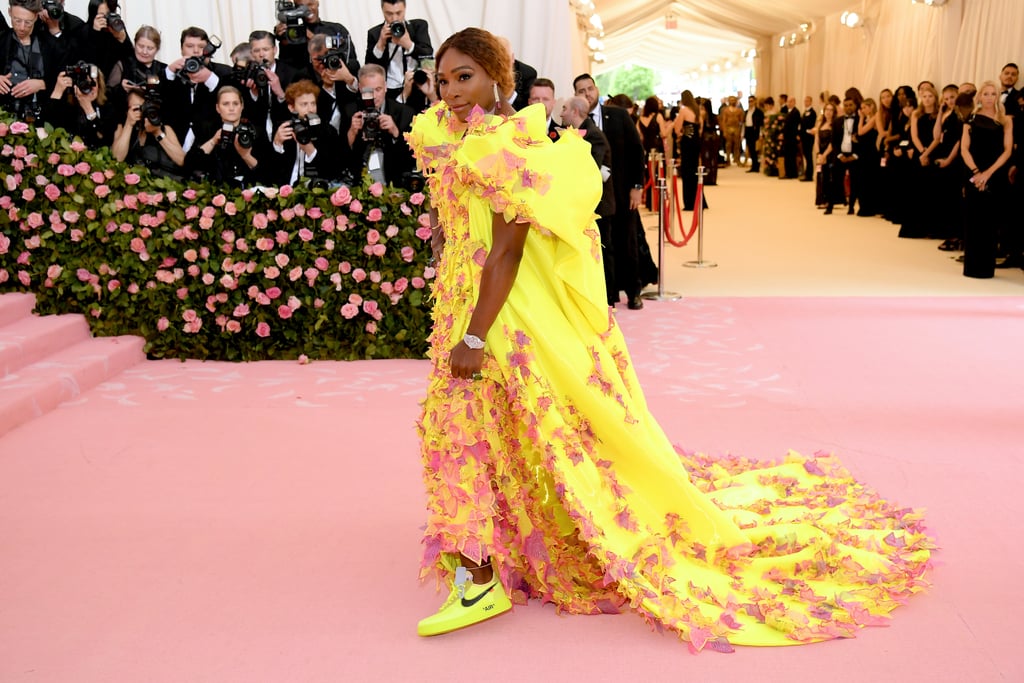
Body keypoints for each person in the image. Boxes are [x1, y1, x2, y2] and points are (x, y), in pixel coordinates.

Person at [408, 26, 932, 647]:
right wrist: (447, 260)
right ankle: (494, 546)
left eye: (464, 76)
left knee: (468, 424)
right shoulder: (441, 135)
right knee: (493, 429)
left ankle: (479, 576)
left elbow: (506, 254)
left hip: (505, 314)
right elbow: (449, 223)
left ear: (498, 78)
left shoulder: (507, 146)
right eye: (442, 79)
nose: (451, 91)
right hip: (463, 300)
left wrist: (474, 336)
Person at [574, 72, 647, 309]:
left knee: (627, 241)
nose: (587, 94)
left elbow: (637, 151)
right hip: (597, 198)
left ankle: (634, 291)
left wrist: (637, 187)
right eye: (581, 91)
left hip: (623, 191)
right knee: (605, 246)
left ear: (597, 90)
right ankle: (609, 294)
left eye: (590, 89)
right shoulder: (575, 122)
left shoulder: (617, 115)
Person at [960, 81, 1014, 277]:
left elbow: (1007, 150)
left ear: (997, 96)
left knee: (990, 221)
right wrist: (976, 172)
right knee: (973, 218)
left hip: (995, 173)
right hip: (974, 172)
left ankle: (986, 267)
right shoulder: (970, 119)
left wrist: (988, 173)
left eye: (993, 94)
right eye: (986, 94)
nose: (990, 97)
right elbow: (964, 149)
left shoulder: (1005, 120)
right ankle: (972, 266)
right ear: (979, 97)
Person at [341, 63, 415, 187]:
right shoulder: (350, 111)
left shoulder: (405, 113)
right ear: (359, 88)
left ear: (386, 87)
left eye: (378, 89)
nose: (374, 96)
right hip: (358, 183)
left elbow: (409, 161)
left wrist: (395, 133)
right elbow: (340, 158)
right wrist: (352, 133)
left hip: (393, 183)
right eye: (368, 91)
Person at [185, 85, 269, 187]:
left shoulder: (256, 131)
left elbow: (267, 174)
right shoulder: (207, 129)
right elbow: (189, 164)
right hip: (215, 191)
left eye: (235, 103)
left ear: (242, 106)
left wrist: (246, 156)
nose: (231, 108)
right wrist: (213, 141)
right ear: (218, 108)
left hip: (249, 191)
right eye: (226, 104)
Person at [268, 79, 343, 187]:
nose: (310, 109)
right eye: (304, 104)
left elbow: (332, 171)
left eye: (313, 104)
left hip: (316, 190)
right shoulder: (283, 128)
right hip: (285, 189)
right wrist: (277, 145)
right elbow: (271, 171)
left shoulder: (328, 131)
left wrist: (310, 150)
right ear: (291, 107)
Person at [0, 0, 64, 125]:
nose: (22, 27)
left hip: (43, 116)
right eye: (17, 20)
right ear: (9, 12)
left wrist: (42, 84)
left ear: (36, 17)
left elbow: (66, 78)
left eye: (28, 22)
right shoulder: (2, 42)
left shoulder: (51, 46)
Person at [110, 86, 187, 180]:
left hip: (163, 183)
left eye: (145, 107)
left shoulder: (164, 129)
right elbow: (117, 159)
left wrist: (157, 133)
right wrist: (128, 125)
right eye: (137, 108)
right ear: (127, 111)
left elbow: (182, 160)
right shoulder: (121, 128)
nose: (142, 112)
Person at [364, 0, 432, 101]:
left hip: (416, 87)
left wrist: (409, 45)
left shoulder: (417, 26)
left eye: (398, 13)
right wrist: (380, 44)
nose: (394, 18)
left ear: (405, 9)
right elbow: (369, 69)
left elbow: (428, 56)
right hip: (389, 91)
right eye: (389, 14)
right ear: (382, 11)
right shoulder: (375, 33)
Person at [45, 61, 115, 147]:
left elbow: (105, 141)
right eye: (84, 83)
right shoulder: (67, 107)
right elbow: (47, 128)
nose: (89, 87)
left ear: (99, 86)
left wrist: (88, 109)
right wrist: (58, 91)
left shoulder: (107, 109)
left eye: (93, 83)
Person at [672, 89, 701, 209]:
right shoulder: (697, 111)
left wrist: (681, 134)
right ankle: (698, 200)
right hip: (696, 142)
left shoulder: (683, 111)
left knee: (687, 171)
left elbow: (677, 129)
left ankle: (689, 202)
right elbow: (700, 129)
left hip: (687, 143)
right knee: (695, 170)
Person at [743, 95, 763, 173]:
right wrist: (743, 133)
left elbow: (761, 124)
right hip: (748, 131)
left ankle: (756, 166)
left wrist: (761, 134)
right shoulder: (746, 112)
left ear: (755, 101)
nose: (750, 103)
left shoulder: (759, 112)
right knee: (750, 149)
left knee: (755, 149)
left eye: (751, 101)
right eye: (749, 101)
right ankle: (753, 165)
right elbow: (744, 123)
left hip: (755, 131)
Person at [799, 95, 817, 181]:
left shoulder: (812, 112)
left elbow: (811, 124)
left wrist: (807, 131)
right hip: (804, 137)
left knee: (809, 156)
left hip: (809, 137)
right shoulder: (804, 112)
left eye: (807, 101)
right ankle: (807, 173)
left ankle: (809, 175)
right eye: (805, 101)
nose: (805, 102)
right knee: (806, 155)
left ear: (810, 102)